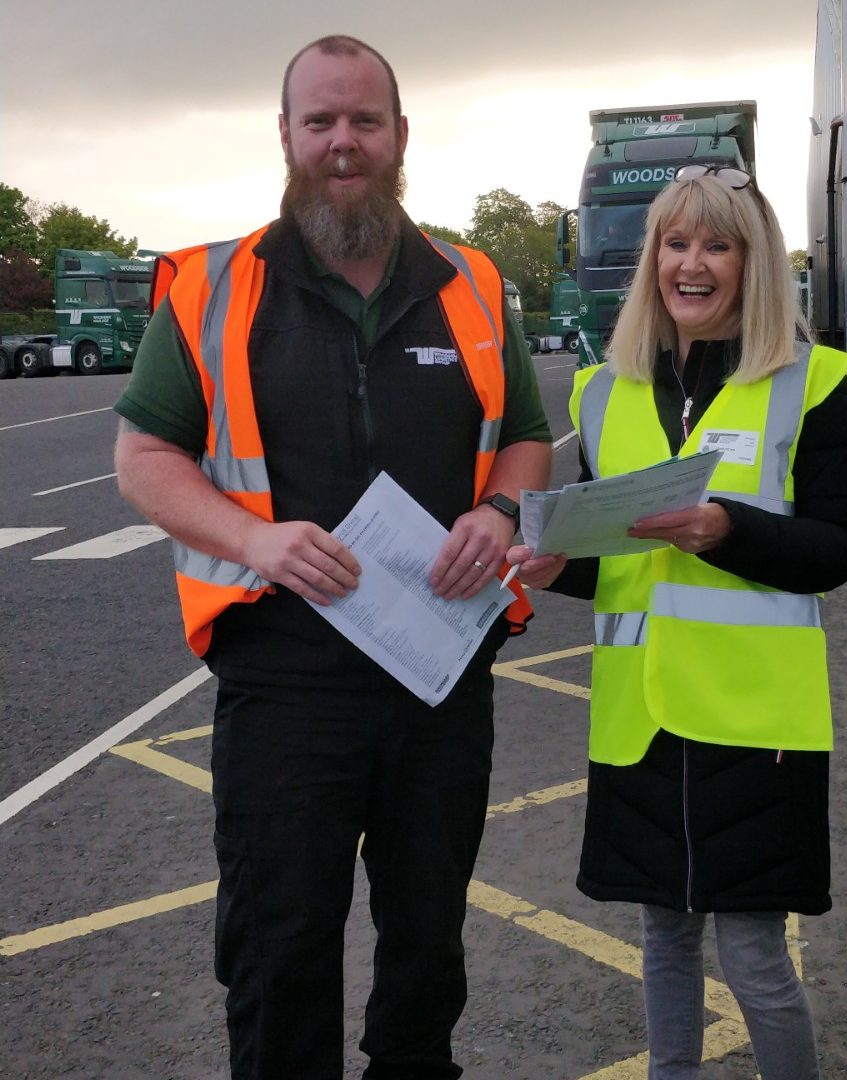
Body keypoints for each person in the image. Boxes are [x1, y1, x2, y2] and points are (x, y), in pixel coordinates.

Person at [113, 34, 552, 1080]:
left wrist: (500, 509)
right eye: (321, 122)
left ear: (400, 135)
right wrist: (254, 537)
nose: (343, 143)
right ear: (285, 136)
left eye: (364, 121)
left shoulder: (475, 282)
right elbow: (142, 458)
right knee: (278, 949)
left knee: (427, 948)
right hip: (284, 682)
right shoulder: (210, 288)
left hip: (440, 675)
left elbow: (529, 438)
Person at [508, 165, 847, 1079]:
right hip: (639, 724)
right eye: (676, 244)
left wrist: (728, 530)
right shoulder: (601, 393)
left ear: (753, 265)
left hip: (758, 725)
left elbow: (840, 548)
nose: (693, 264)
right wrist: (560, 567)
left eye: (717, 244)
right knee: (662, 943)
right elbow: (616, 560)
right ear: (653, 263)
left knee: (753, 958)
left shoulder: (809, 384)